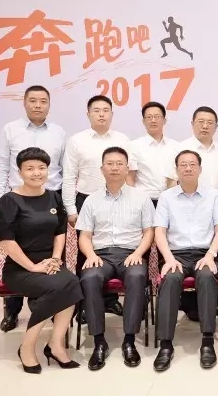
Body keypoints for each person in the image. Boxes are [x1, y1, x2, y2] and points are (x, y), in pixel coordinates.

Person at [0, 147, 82, 373]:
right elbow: (6, 242)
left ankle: (55, 344)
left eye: (41, 168)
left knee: (72, 282)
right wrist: (33, 267)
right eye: (30, 168)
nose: (36, 173)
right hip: (20, 268)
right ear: (20, 172)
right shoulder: (9, 201)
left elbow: (60, 232)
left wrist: (55, 259)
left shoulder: (53, 197)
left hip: (49, 263)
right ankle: (27, 346)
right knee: (57, 288)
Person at [0, 85, 66, 333]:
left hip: (50, 197)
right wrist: (2, 201)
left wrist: (63, 201)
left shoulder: (58, 133)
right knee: (18, 253)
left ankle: (53, 307)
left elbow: (64, 170)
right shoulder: (10, 130)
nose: (38, 105)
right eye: (33, 100)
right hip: (19, 200)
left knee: (54, 252)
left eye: (43, 101)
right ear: (24, 103)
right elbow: (1, 166)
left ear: (49, 105)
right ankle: (12, 311)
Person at [76, 147, 155, 371]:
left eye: (119, 164)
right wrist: (90, 255)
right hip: (100, 255)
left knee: (137, 276)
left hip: (131, 253)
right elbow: (85, 236)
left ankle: (129, 341)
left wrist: (138, 254)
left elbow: (149, 232)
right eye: (109, 164)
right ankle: (99, 342)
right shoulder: (91, 201)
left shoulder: (141, 198)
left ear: (127, 168)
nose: (114, 168)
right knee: (89, 278)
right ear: (102, 169)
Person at [63, 95, 137, 322]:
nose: (101, 114)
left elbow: (130, 174)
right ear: (88, 114)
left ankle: (109, 301)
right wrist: (70, 209)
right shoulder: (77, 141)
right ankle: (85, 305)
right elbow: (69, 176)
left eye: (106, 110)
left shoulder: (122, 139)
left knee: (114, 249)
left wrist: (131, 199)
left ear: (112, 114)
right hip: (86, 200)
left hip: (118, 198)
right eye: (96, 110)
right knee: (86, 255)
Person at [153, 150, 218, 372]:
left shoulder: (214, 195)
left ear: (200, 169)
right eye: (183, 165)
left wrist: (210, 255)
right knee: (170, 278)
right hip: (176, 254)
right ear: (176, 170)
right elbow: (159, 232)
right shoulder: (166, 197)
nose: (187, 168)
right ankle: (165, 345)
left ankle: (207, 341)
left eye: (192, 164)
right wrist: (168, 259)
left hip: (205, 252)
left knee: (206, 276)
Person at [165, 106, 218, 323]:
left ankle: (208, 309)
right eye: (200, 121)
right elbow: (171, 181)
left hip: (212, 208)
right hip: (183, 207)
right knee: (181, 269)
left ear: (216, 126)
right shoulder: (181, 148)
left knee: (208, 267)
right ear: (192, 124)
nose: (205, 126)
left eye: (210, 122)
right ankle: (190, 306)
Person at [129, 101, 178, 206]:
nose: (153, 120)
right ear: (143, 121)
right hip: (143, 201)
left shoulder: (176, 146)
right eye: (149, 117)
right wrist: (131, 202)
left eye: (157, 117)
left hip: (170, 201)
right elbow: (130, 178)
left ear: (164, 120)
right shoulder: (134, 146)